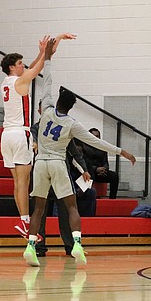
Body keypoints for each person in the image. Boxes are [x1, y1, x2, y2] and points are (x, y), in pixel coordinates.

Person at [23, 39, 135, 267]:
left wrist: (48, 57)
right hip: (56, 163)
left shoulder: (45, 109)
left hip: (40, 163)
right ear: (72, 107)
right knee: (71, 205)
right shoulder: (72, 124)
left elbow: (48, 81)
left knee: (39, 208)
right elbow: (97, 141)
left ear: (57, 101)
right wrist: (121, 152)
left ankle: (31, 246)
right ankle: (76, 245)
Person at [0, 33, 75, 237]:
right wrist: (50, 50)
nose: (24, 65)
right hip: (20, 134)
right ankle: (25, 222)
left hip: (6, 135)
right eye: (20, 63)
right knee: (24, 183)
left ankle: (22, 220)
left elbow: (33, 65)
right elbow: (39, 67)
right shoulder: (20, 81)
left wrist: (42, 52)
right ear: (12, 67)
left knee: (17, 183)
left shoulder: (7, 82)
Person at [31, 109, 91, 257]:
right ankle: (38, 246)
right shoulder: (35, 128)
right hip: (45, 172)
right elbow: (30, 142)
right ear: (40, 111)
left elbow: (74, 152)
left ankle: (71, 246)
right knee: (41, 211)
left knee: (66, 210)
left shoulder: (63, 127)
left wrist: (83, 169)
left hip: (58, 172)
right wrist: (33, 143)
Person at [82, 128, 120, 199]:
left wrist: (104, 169)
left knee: (114, 175)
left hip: (100, 173)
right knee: (89, 174)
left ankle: (112, 199)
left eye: (97, 136)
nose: (96, 138)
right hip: (89, 172)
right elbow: (84, 163)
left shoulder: (102, 147)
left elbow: (105, 162)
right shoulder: (84, 147)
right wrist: (96, 169)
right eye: (94, 136)